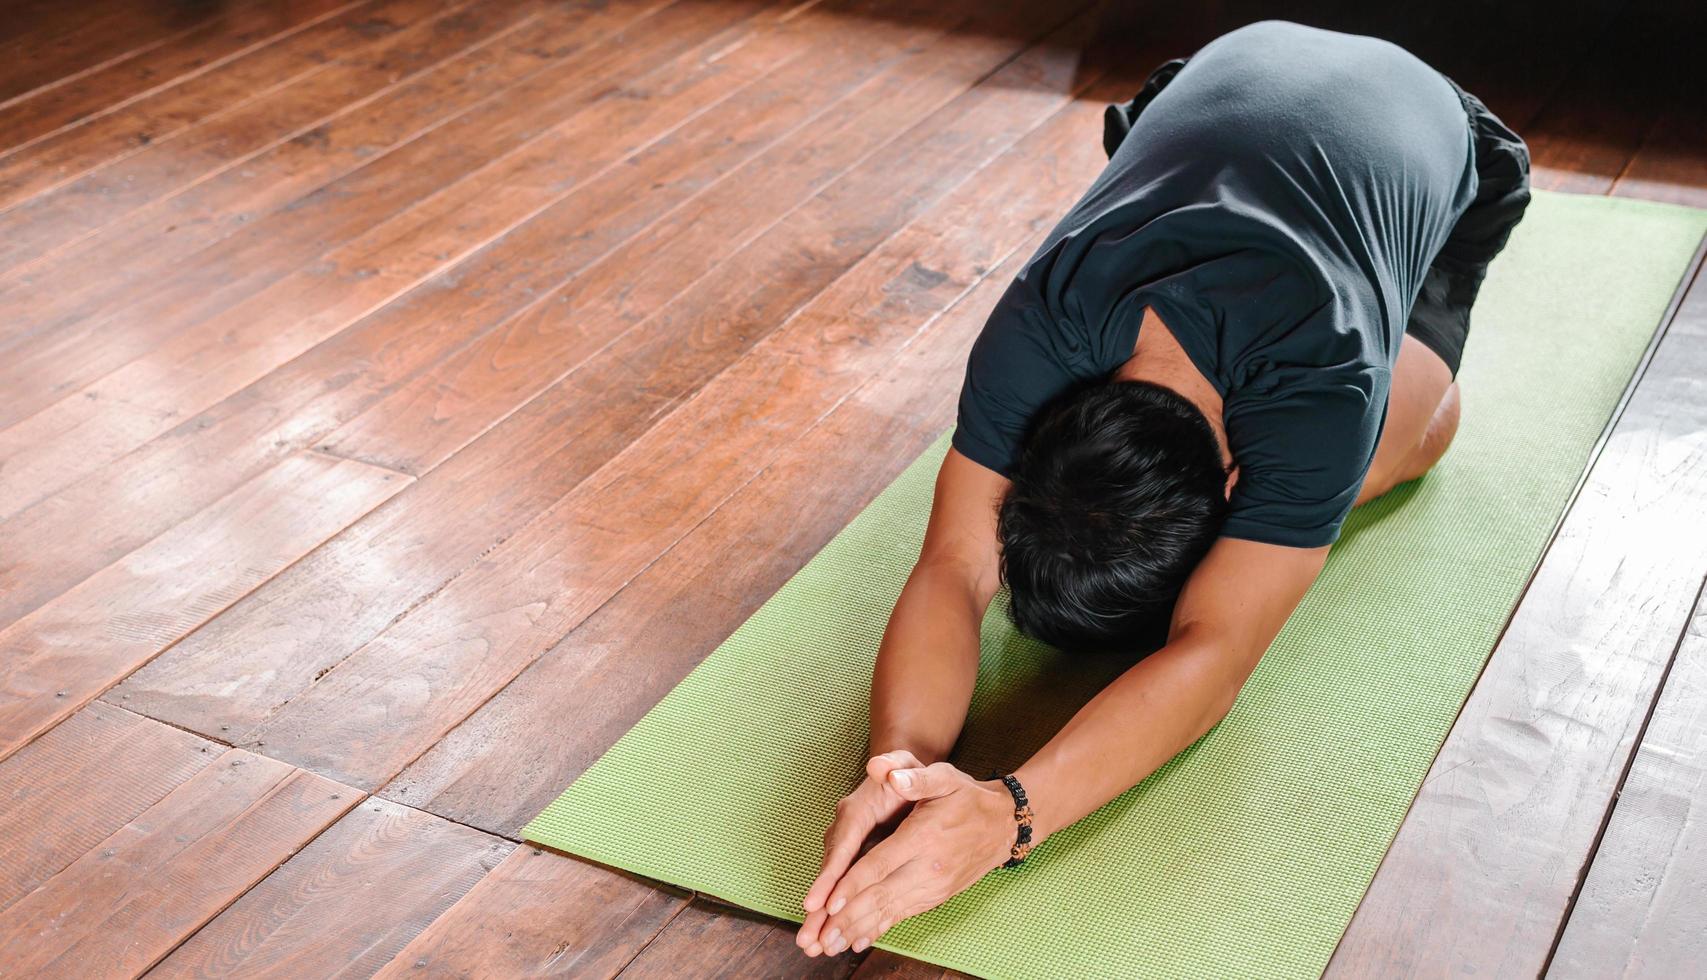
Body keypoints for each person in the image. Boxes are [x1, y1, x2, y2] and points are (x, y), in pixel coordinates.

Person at [794, 20, 1531, 957]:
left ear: (1234, 480)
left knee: (1400, 447)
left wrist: (1008, 819)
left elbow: (1213, 651)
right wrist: (898, 770)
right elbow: (953, 565)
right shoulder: (1036, 329)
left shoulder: (1319, 395)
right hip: (1213, 79)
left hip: (1437, 129)